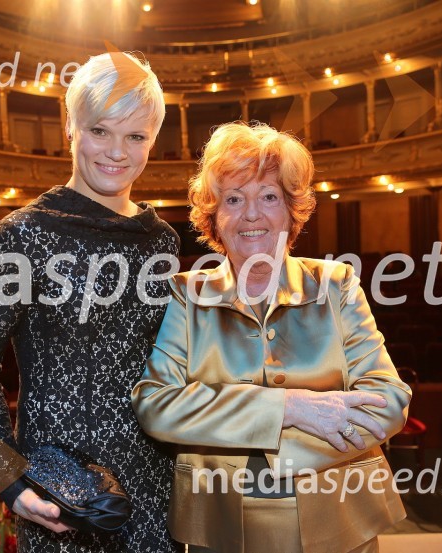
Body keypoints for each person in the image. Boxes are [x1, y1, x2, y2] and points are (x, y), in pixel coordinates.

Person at [131, 122, 412, 553]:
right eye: (233, 199)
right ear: (214, 217)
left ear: (291, 211)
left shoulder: (336, 284)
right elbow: (157, 406)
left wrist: (223, 423)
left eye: (268, 197)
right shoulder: (187, 293)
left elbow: (388, 402)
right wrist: (290, 409)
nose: (251, 214)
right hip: (219, 526)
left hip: (341, 520)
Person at [0, 52, 181, 553]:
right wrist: (11, 481)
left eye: (136, 136)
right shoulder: (19, 237)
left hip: (153, 486)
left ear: (152, 141)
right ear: (70, 129)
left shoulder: (161, 242)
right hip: (56, 495)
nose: (117, 152)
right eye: (101, 130)